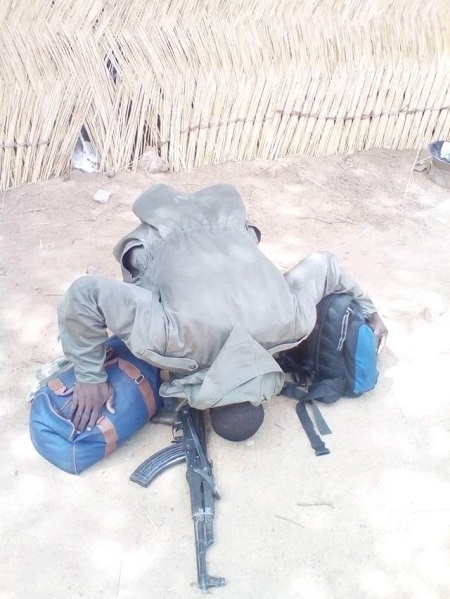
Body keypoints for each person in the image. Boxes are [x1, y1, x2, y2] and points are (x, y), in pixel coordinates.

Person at [57, 183, 387, 437]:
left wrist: (372, 312)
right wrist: (90, 377)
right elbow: (85, 293)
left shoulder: (290, 324)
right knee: (141, 279)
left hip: (222, 222)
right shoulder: (169, 343)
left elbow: (324, 263)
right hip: (168, 230)